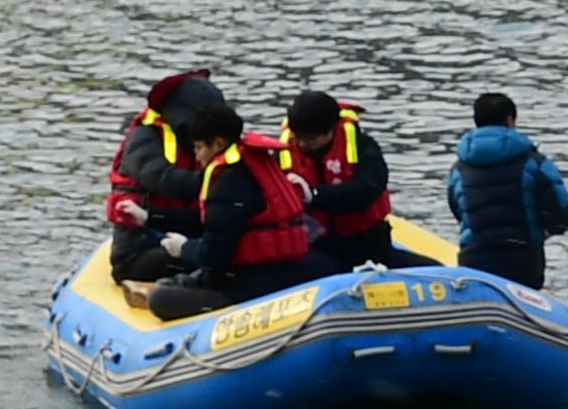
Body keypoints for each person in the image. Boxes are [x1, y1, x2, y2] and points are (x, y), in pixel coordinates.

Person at [142, 103, 323, 320]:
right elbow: (216, 223)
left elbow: (214, 255)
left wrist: (183, 248)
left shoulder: (228, 181)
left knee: (161, 298)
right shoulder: (255, 162)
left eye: (199, 148)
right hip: (282, 273)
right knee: (180, 280)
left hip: (248, 288)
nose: (198, 157)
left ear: (218, 144)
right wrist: (150, 217)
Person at [104, 67, 227, 285]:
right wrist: (223, 182)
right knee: (205, 260)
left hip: (189, 236)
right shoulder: (143, 139)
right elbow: (164, 180)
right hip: (140, 253)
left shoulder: (205, 144)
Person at [447, 91, 568, 288]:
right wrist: (545, 232)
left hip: (474, 257)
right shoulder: (534, 163)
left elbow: (458, 210)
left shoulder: (459, 168)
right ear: (510, 120)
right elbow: (561, 212)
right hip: (522, 260)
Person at [283, 91, 401, 271]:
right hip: (316, 247)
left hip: (367, 243)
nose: (302, 145)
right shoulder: (283, 153)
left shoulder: (363, 147)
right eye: (298, 138)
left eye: (311, 139)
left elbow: (367, 190)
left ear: (331, 130)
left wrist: (314, 195)